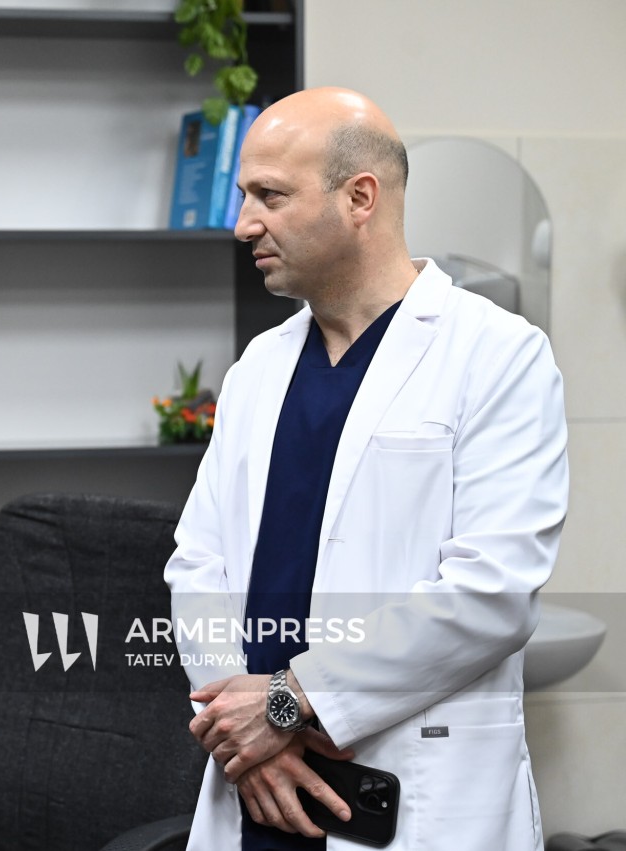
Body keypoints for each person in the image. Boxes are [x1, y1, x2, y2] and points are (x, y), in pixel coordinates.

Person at [163, 88, 568, 851]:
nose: (244, 223)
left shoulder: (498, 356)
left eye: (269, 196)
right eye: (245, 196)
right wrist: (240, 727)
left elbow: (494, 592)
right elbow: (197, 563)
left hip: (402, 793)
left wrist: (287, 702)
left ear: (359, 198)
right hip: (257, 787)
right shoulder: (259, 367)